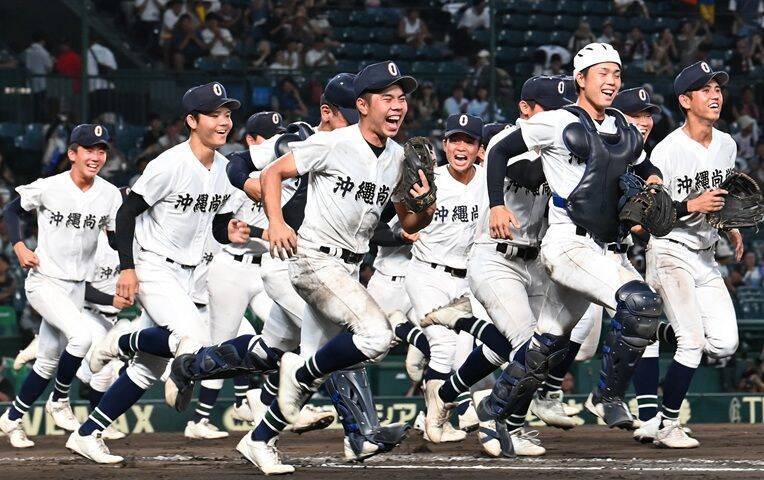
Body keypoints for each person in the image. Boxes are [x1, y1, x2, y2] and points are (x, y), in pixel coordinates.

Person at [474, 43, 664, 446]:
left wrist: (654, 181)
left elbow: (644, 164)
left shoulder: (622, 126)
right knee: (640, 304)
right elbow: (501, 149)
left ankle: (494, 411)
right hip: (568, 245)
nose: (611, 81)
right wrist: (496, 204)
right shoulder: (556, 121)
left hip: (602, 247)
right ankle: (606, 397)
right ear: (581, 79)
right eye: (602, 73)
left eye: (616, 73)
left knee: (547, 346)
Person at [260, 61, 435, 473]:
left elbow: (407, 224)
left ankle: (258, 440)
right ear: (362, 105)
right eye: (387, 98)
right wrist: (276, 221)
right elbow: (272, 173)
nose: (398, 106)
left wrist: (426, 205)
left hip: (350, 268)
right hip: (315, 260)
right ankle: (301, 372)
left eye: (401, 98)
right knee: (376, 335)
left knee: (318, 370)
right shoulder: (333, 143)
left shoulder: (397, 157)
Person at [67, 82, 248, 463]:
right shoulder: (170, 164)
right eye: (214, 114)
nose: (224, 122)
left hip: (192, 273)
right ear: (192, 121)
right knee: (194, 339)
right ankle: (123, 342)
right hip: (155, 265)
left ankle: (87, 433)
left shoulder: (226, 169)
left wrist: (228, 231)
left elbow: (218, 224)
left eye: (227, 114)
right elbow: (126, 212)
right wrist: (128, 268)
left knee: (148, 370)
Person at [424, 76, 576, 456]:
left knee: (521, 350)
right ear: (525, 109)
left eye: (564, 109)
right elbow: (525, 172)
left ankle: (447, 393)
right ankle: (494, 419)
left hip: (537, 262)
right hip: (496, 257)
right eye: (549, 108)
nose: (558, 116)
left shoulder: (567, 146)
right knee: (527, 346)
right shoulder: (504, 140)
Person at [0, 125, 122, 449]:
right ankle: (59, 399)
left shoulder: (109, 194)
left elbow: (115, 238)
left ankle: (11, 418)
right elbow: (11, 210)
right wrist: (19, 246)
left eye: (101, 150)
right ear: (72, 154)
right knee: (81, 337)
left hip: (77, 287)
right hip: (45, 281)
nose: (96, 156)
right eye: (89, 149)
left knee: (47, 362)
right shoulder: (50, 186)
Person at [644, 61, 742, 448]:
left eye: (718, 88)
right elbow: (651, 216)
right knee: (692, 342)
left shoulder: (727, 145)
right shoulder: (666, 151)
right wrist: (691, 205)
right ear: (686, 101)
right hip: (670, 250)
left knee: (724, 344)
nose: (715, 95)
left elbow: (721, 199)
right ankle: (668, 423)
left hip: (705, 254)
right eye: (705, 90)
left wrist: (730, 225)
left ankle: (659, 331)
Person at [23, 33, 53, 121]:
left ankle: (32, 123)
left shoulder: (27, 51)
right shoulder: (43, 52)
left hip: (30, 83)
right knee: (41, 106)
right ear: (42, 40)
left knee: (32, 106)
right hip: (41, 83)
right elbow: (49, 67)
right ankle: (40, 123)